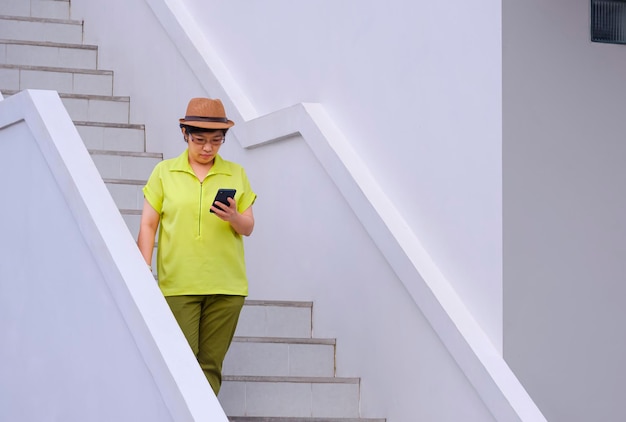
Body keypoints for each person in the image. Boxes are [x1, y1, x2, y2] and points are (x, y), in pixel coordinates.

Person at [137, 97, 256, 395]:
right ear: (184, 134)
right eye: (200, 140)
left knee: (210, 366)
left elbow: (249, 227)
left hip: (227, 285)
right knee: (181, 363)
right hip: (178, 285)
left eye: (216, 141)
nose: (207, 148)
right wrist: (142, 269)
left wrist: (234, 217)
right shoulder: (164, 172)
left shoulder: (236, 173)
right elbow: (149, 224)